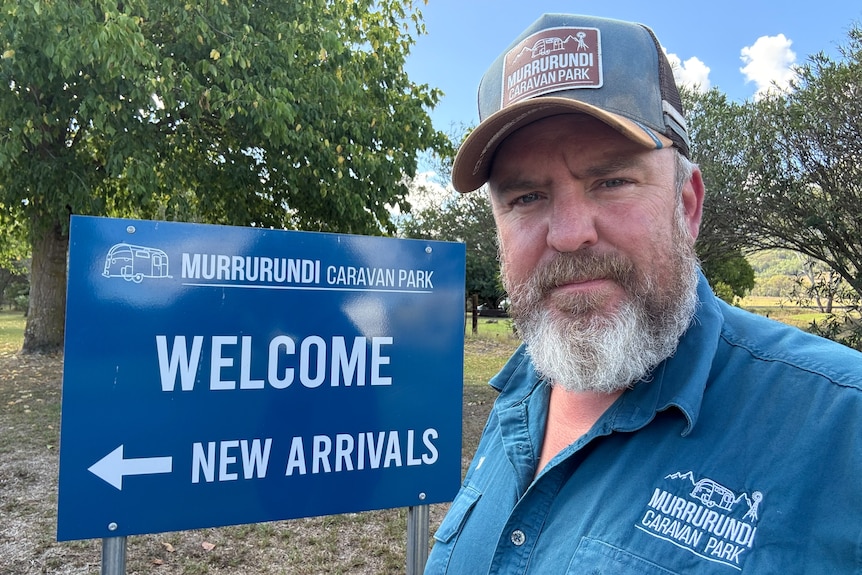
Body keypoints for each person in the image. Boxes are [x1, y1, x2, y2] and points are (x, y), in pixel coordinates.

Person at [424, 13, 862, 574]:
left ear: (687, 205)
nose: (568, 233)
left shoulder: (841, 430)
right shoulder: (520, 393)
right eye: (527, 197)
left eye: (611, 182)